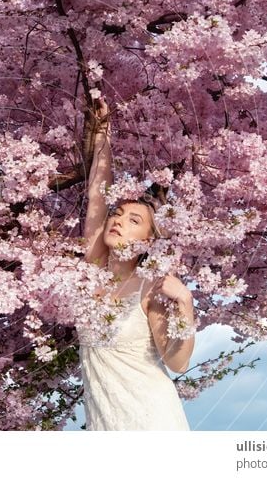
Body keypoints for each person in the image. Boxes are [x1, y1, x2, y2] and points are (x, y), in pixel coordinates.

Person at [76, 97, 195, 430]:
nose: (117, 220)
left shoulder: (150, 290)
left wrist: (185, 303)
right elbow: (98, 196)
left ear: (148, 240)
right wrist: (102, 135)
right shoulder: (93, 270)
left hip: (153, 422)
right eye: (118, 214)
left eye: (133, 220)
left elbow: (178, 361)